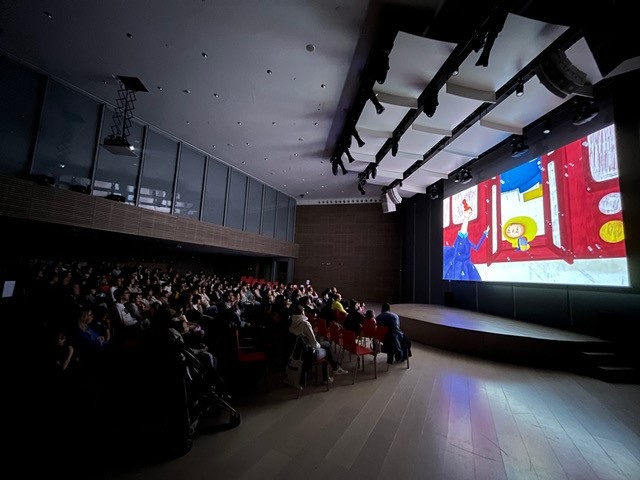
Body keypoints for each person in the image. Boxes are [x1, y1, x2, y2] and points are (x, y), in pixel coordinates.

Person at [288, 304, 348, 384]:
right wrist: (319, 344)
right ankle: (329, 375)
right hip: (308, 354)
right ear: (302, 312)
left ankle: (335, 368)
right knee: (326, 349)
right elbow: (314, 344)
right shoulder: (305, 324)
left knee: (326, 345)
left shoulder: (291, 322)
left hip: (297, 353)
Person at [443, 199, 489, 280]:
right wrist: (466, 218)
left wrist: (485, 234)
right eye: (469, 212)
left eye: (470, 213)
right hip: (455, 264)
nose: (469, 214)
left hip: (465, 265)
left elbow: (477, 247)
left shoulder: (468, 242)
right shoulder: (459, 241)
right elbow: (462, 234)